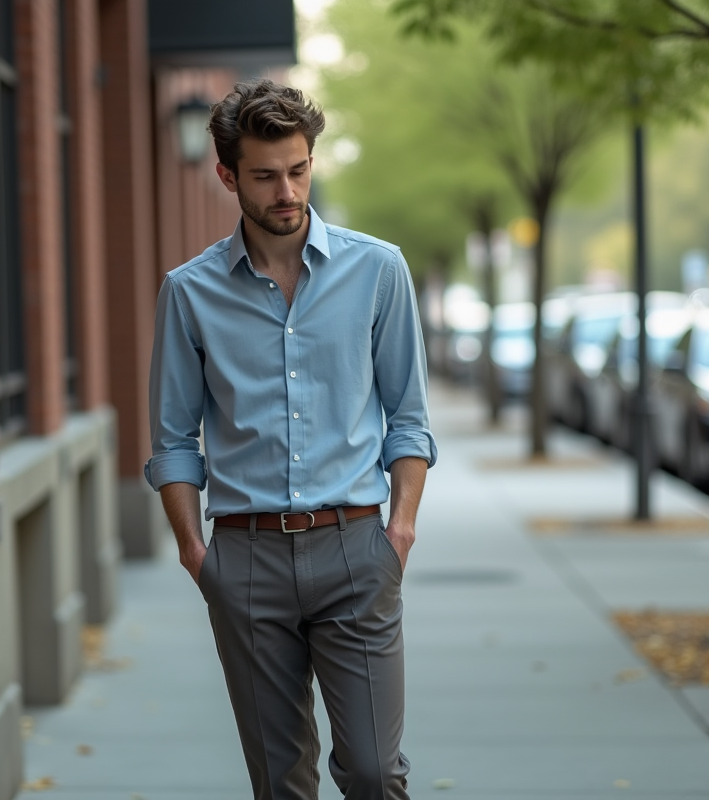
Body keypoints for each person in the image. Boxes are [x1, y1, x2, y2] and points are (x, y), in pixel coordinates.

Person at [144, 78, 436, 800]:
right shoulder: (189, 291)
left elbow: (409, 418)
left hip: (355, 548)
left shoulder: (378, 270)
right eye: (266, 176)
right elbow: (174, 437)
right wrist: (195, 552)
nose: (287, 191)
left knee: (372, 771)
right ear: (227, 176)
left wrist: (397, 532)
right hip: (245, 560)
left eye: (299, 170)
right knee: (280, 781)